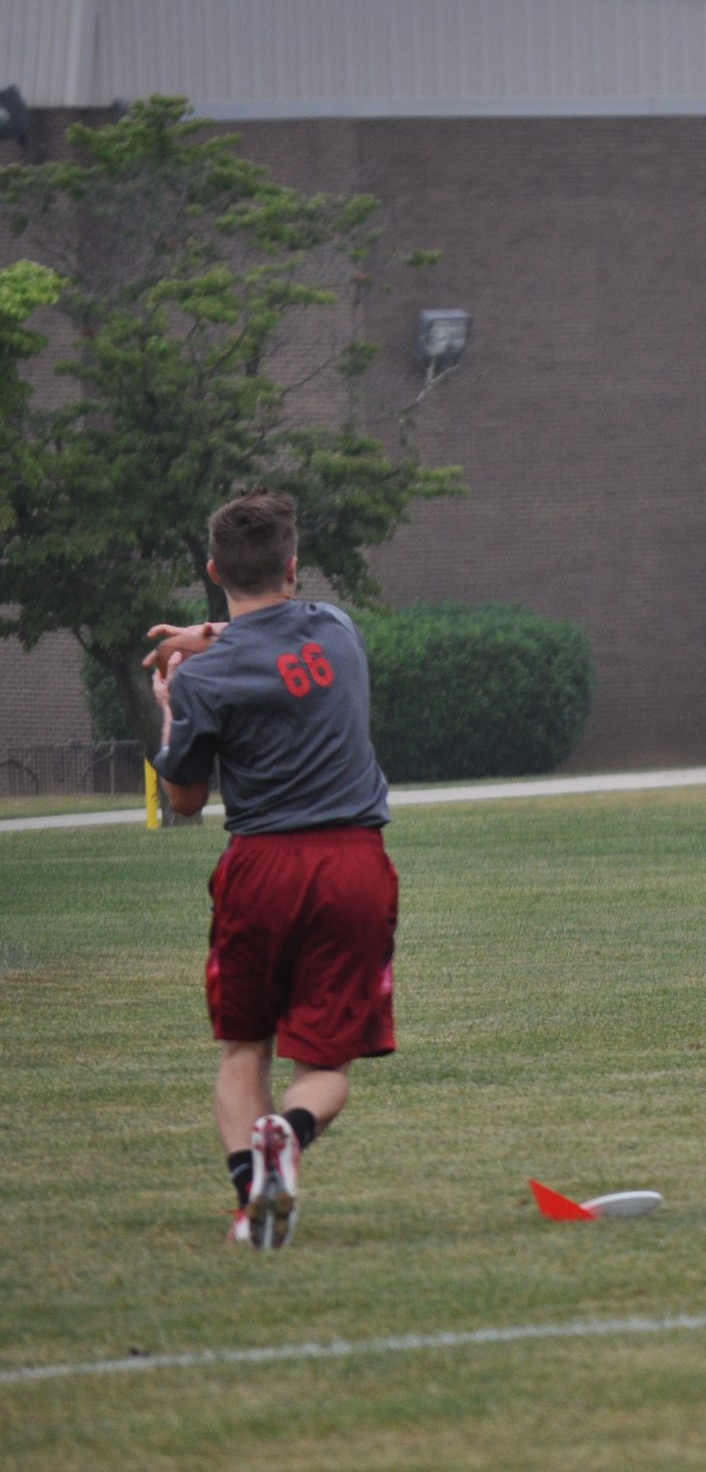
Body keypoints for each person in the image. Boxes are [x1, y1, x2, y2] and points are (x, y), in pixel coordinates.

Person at [143, 490, 398, 1248]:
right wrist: (210, 634)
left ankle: (252, 1192)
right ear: (295, 565)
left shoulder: (202, 680)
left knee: (245, 1045)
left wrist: (170, 702)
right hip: (356, 863)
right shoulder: (341, 630)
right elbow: (279, 633)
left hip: (260, 869)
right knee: (325, 1063)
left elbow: (186, 803)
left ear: (214, 568)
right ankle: (289, 1132)